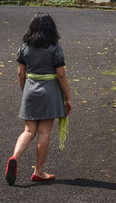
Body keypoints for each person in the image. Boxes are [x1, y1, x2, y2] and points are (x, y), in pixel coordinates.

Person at [5, 12, 73, 185]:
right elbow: (61, 75)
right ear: (51, 28)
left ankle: (14, 157)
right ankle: (38, 171)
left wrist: (25, 90)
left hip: (30, 90)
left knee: (28, 131)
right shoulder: (55, 47)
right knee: (44, 132)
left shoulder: (24, 47)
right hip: (49, 91)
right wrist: (68, 97)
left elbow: (21, 73)